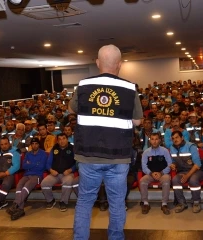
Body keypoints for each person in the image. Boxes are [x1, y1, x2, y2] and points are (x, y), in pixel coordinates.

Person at [69, 44, 143, 240]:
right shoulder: (129, 88)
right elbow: (137, 121)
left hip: (88, 155)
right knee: (117, 202)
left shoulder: (83, 85)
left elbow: (72, 109)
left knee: (85, 201)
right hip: (118, 157)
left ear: (97, 63)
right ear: (119, 65)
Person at [6, 137, 48, 220]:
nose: (34, 145)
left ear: (39, 145)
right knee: (19, 186)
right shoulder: (28, 154)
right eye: (33, 144)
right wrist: (35, 164)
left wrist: (30, 164)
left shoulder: (43, 154)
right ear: (31, 145)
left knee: (26, 186)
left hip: (37, 175)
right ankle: (20, 209)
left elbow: (41, 166)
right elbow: (24, 166)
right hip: (27, 174)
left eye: (36, 143)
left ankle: (16, 204)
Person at [41, 133, 78, 212]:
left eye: (63, 138)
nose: (62, 141)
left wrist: (70, 170)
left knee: (68, 182)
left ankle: (63, 202)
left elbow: (77, 163)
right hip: (55, 173)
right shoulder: (54, 149)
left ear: (67, 139)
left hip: (67, 173)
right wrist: (50, 170)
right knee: (44, 183)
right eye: (59, 139)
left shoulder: (73, 148)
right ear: (57, 141)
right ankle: (50, 200)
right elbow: (48, 163)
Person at [170, 131, 203, 213]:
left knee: (193, 179)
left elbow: (197, 164)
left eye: (177, 137)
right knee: (175, 180)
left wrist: (187, 175)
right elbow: (173, 161)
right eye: (173, 138)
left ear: (182, 138)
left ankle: (196, 202)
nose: (175, 140)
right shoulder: (172, 148)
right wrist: (173, 165)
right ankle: (181, 203)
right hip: (182, 171)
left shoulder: (191, 146)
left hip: (197, 171)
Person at [139, 133, 172, 215]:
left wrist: (161, 173)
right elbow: (144, 166)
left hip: (163, 174)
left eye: (156, 139)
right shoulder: (146, 152)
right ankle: (145, 203)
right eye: (152, 139)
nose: (154, 141)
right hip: (150, 174)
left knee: (167, 179)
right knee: (142, 180)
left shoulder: (165, 151)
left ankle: (164, 204)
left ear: (160, 140)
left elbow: (170, 164)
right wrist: (151, 173)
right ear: (150, 141)